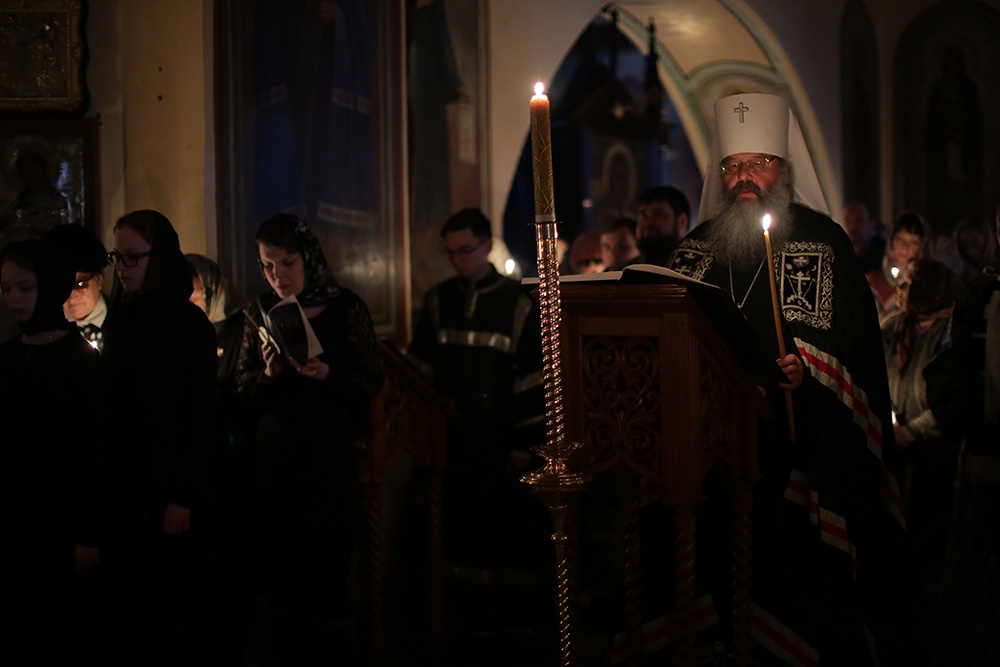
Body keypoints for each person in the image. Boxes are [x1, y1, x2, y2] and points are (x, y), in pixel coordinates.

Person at [668, 92, 918, 665]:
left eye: (757, 163)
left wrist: (806, 372)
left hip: (795, 455)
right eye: (732, 166)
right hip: (704, 466)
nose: (743, 177)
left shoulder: (823, 243)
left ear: (783, 169)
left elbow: (851, 356)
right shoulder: (693, 251)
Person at [235, 213, 383, 665]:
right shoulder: (260, 310)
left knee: (325, 565)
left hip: (327, 452)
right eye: (268, 266)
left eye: (288, 263)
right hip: (275, 453)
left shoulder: (345, 307)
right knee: (278, 566)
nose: (278, 275)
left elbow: (371, 379)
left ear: (309, 259)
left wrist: (327, 374)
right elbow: (242, 393)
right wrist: (267, 373)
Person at [407, 208, 550, 633]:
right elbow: (422, 370)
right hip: (454, 444)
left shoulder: (517, 302)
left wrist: (524, 448)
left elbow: (532, 379)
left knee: (504, 547)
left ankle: (508, 634)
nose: (457, 261)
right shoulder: (438, 299)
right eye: (450, 253)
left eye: (465, 251)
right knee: (459, 544)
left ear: (487, 245)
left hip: (501, 443)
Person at [100, 209, 219, 663]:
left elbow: (200, 416)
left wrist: (183, 495)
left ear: (160, 257)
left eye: (133, 258)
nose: (123, 268)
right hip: (127, 492)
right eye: (118, 258)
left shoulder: (189, 327)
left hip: (171, 491)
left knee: (172, 610)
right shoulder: (121, 321)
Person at [0, 238, 105, 662]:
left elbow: (96, 452)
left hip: (60, 524)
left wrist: (89, 533)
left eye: (25, 287)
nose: (14, 298)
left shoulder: (81, 362)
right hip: (14, 522)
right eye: (6, 288)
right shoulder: (7, 357)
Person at [881, 258, 962, 590]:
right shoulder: (893, 326)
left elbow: (955, 400)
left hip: (933, 454)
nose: (902, 289)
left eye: (911, 283)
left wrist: (914, 430)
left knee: (925, 534)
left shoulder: (952, 333)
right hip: (893, 448)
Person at [45, 223, 112, 351]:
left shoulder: (130, 323)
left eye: (81, 284)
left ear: (99, 280)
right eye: (62, 285)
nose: (71, 293)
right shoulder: (43, 331)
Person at [867, 212, 931, 322]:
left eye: (913, 242)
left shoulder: (928, 285)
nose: (905, 247)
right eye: (900, 240)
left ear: (922, 247)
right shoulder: (873, 280)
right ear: (891, 242)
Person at [635, 185, 690, 265]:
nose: (647, 223)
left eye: (658, 214)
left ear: (682, 222)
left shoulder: (696, 268)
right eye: (643, 215)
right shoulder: (622, 271)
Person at [841, 200, 886, 273]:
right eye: (848, 221)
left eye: (859, 221)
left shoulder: (884, 255)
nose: (852, 227)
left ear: (871, 225)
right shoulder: (839, 255)